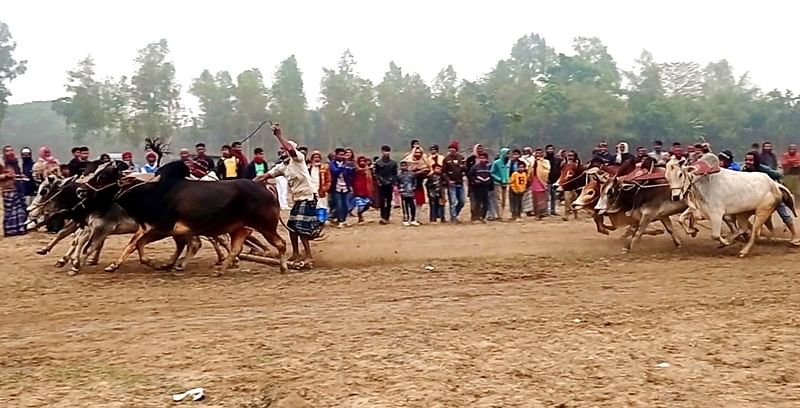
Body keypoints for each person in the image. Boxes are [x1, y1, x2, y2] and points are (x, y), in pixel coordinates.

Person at [255, 125, 321, 266]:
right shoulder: (282, 167)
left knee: (300, 227)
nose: (282, 151)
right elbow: (265, 176)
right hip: (297, 198)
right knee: (292, 227)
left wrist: (279, 135)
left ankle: (309, 255)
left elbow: (291, 149)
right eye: (280, 150)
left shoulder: (298, 159)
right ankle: (296, 254)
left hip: (308, 196)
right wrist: (245, 184)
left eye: (283, 149)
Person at [742, 151, 800, 245]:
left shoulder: (763, 169)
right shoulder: (744, 171)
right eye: (747, 160)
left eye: (751, 160)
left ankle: (794, 235)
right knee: (763, 216)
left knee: (783, 214)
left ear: (756, 161)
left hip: (773, 194)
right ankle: (770, 233)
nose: (748, 162)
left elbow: (778, 175)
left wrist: (773, 184)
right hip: (758, 198)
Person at [1, 145, 28, 237]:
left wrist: (21, 176)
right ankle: (10, 230)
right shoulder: (2, 163)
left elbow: (19, 173)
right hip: (8, 189)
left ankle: (20, 228)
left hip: (18, 187)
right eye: (8, 151)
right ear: (4, 153)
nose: (10, 152)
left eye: (12, 150)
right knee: (10, 211)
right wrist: (6, 176)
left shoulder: (16, 162)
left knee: (20, 210)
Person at [329, 147, 355, 227]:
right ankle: (340, 220)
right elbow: (335, 172)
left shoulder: (347, 163)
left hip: (346, 187)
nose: (342, 156)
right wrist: (343, 167)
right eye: (340, 155)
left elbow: (351, 174)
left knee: (346, 205)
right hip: (336, 187)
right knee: (339, 205)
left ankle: (344, 219)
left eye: (343, 155)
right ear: (336, 155)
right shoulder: (333, 164)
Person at [442, 140, 466, 223]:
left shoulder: (461, 158)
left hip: (460, 182)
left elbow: (465, 169)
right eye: (450, 149)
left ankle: (456, 213)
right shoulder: (446, 159)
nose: (451, 151)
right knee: (453, 201)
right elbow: (443, 172)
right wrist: (448, 180)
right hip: (451, 183)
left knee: (462, 201)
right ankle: (453, 217)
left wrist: (463, 168)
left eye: (453, 149)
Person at [373, 145, 398, 224]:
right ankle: (382, 216)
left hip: (389, 184)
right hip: (381, 184)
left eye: (387, 151)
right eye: (385, 151)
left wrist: (392, 181)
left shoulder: (393, 163)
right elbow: (376, 174)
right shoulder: (378, 163)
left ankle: (387, 217)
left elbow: (395, 174)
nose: (386, 153)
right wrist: (380, 181)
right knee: (382, 201)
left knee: (389, 201)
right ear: (382, 152)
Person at [468, 152, 492, 223]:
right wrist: (475, 181)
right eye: (481, 158)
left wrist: (489, 184)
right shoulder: (475, 167)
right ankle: (475, 217)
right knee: (477, 202)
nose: (482, 160)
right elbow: (470, 176)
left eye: (484, 158)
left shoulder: (488, 167)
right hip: (477, 188)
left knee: (486, 202)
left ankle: (482, 216)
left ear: (487, 159)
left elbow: (490, 176)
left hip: (485, 187)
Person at [308, 151, 331, 224]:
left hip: (321, 190)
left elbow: (328, 180)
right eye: (315, 157)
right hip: (311, 190)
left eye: (318, 157)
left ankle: (322, 220)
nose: (317, 159)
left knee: (322, 205)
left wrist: (325, 188)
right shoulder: (308, 168)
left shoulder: (324, 168)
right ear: (312, 159)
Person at [406, 146, 431, 210]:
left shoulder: (424, 160)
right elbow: (406, 171)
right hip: (409, 185)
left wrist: (421, 171)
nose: (418, 154)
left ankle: (418, 217)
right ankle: (410, 216)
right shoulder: (408, 160)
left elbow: (428, 170)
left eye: (419, 152)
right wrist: (416, 171)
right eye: (416, 152)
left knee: (419, 202)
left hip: (419, 184)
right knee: (410, 201)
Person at [489, 147, 510, 220]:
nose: (508, 155)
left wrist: (508, 179)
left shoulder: (508, 163)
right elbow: (491, 172)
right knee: (498, 199)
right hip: (497, 183)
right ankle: (499, 215)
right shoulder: (496, 163)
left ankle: (502, 214)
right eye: (507, 153)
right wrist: (498, 179)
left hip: (505, 183)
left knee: (504, 200)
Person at [352, 156, 374, 224]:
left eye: (363, 161)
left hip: (366, 188)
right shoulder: (355, 169)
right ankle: (360, 216)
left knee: (368, 203)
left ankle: (360, 214)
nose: (362, 162)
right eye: (360, 161)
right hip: (358, 188)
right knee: (360, 204)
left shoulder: (368, 170)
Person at [466, 144, 485, 221]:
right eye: (478, 149)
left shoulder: (484, 159)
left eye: (481, 148)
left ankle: (479, 216)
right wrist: (472, 180)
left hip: (482, 184)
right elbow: (468, 171)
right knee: (473, 200)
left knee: (480, 200)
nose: (480, 150)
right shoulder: (470, 159)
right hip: (473, 183)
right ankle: (473, 216)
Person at [531, 148, 551, 219]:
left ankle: (541, 213)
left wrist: (540, 164)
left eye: (540, 153)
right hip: (534, 180)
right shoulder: (532, 161)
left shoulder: (546, 161)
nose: (538, 155)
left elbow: (547, 169)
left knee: (542, 198)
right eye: (537, 153)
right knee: (535, 199)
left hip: (542, 181)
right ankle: (536, 213)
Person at [397, 161, 419, 226]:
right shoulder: (399, 174)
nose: (404, 167)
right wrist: (399, 189)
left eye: (405, 165)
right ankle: (405, 219)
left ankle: (413, 219)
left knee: (413, 206)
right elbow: (396, 183)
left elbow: (415, 182)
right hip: (403, 193)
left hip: (411, 192)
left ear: (407, 166)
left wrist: (414, 187)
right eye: (402, 166)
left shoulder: (412, 174)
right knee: (405, 206)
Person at [545, 144, 561, 216]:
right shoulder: (544, 160)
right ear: (546, 150)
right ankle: (547, 211)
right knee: (547, 197)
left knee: (554, 197)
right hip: (547, 181)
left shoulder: (556, 160)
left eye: (551, 149)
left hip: (555, 181)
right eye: (549, 149)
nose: (550, 150)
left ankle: (553, 210)